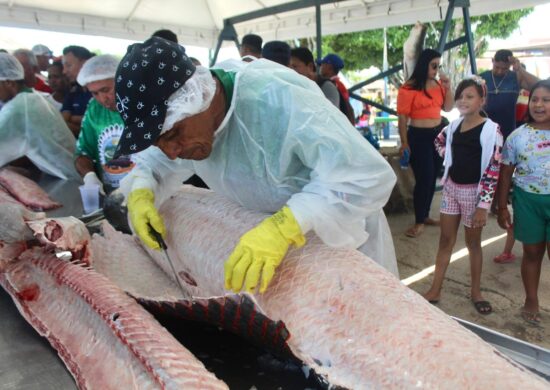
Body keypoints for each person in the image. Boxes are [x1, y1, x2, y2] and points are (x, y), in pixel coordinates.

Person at [114, 37, 398, 294]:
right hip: (278, 257)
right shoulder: (186, 126)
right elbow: (157, 162)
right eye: (158, 141)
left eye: (172, 135)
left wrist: (283, 228)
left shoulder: (275, 97)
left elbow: (363, 175)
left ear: (199, 98)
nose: (172, 153)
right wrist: (142, 190)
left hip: (343, 239)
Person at [422, 77, 502, 315]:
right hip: (451, 189)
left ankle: (476, 292)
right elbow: (439, 141)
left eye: (470, 96)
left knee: (473, 244)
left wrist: (483, 205)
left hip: (473, 195)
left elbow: (493, 168)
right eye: (460, 96)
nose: (463, 100)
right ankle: (435, 289)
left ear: (482, 100)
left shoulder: (491, 129)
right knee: (445, 240)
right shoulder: (454, 125)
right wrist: (449, 159)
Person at [497, 80, 550, 325]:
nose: (539, 105)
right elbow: (505, 174)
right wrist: (501, 207)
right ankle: (531, 299)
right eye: (535, 99)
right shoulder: (517, 137)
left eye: (546, 100)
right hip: (527, 201)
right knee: (531, 252)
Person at [480, 51, 538, 262]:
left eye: (504, 68)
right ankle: (486, 204)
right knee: (486, 170)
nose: (500, 71)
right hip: (485, 132)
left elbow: (538, 85)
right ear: (493, 62)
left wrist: (519, 68)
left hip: (508, 132)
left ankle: (498, 204)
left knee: (503, 172)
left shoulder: (516, 77)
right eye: (497, 66)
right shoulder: (484, 77)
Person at [397, 48, 454, 238]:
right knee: (424, 178)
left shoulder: (438, 85)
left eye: (438, 66)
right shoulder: (408, 88)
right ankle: (419, 221)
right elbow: (403, 118)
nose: (436, 70)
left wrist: (448, 86)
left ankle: (425, 215)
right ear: (424, 65)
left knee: (432, 177)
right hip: (418, 136)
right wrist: (405, 143)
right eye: (433, 66)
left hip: (437, 134)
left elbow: (447, 107)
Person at [0, 53, 78, 180]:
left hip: (64, 176)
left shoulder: (16, 108)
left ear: (9, 82)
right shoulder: (34, 96)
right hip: (68, 169)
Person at [74, 54, 132, 195]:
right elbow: (83, 152)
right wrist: (89, 176)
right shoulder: (94, 108)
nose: (102, 99)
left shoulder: (140, 105)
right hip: (110, 192)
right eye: (95, 93)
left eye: (106, 90)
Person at [62, 45, 94, 136]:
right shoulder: (73, 91)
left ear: (85, 63)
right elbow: (61, 122)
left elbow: (102, 123)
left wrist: (73, 118)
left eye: (68, 65)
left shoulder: (101, 91)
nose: (64, 71)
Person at [317, 53, 355, 123]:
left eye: (323, 64)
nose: (320, 67)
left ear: (329, 68)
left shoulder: (332, 85)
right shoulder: (339, 84)